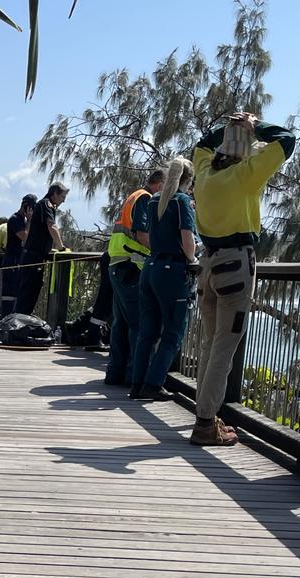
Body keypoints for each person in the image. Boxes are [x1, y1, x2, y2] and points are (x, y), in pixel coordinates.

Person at [191, 112, 296, 446]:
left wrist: (231, 127)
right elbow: (287, 139)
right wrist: (255, 127)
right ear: (246, 151)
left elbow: (201, 144)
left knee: (211, 342)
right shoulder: (246, 174)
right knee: (226, 345)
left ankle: (205, 414)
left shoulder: (204, 174)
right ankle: (206, 423)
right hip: (236, 266)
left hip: (207, 265)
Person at [129, 158, 197, 402]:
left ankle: (136, 383)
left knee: (148, 330)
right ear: (188, 180)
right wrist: (193, 257)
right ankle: (154, 383)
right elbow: (187, 239)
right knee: (172, 331)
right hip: (172, 271)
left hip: (151, 267)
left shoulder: (154, 199)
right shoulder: (182, 202)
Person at [105, 170, 164, 385]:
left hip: (119, 265)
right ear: (160, 185)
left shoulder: (133, 196)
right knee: (140, 324)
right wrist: (161, 250)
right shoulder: (145, 198)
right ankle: (134, 377)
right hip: (132, 266)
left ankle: (115, 373)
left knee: (121, 323)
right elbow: (141, 233)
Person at [14, 183, 69, 315]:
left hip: (36, 256)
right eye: (62, 196)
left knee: (32, 290)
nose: (64, 200)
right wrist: (61, 247)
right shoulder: (46, 204)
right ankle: (18, 325)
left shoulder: (45, 205)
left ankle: (23, 322)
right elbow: (52, 226)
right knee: (27, 292)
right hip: (33, 256)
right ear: (55, 193)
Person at [1, 194, 35, 317]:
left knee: (17, 293)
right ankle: (6, 320)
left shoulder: (23, 221)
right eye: (31, 209)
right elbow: (25, 238)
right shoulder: (15, 219)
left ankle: (15, 320)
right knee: (9, 294)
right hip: (12, 261)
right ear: (26, 207)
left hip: (18, 260)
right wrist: (30, 221)